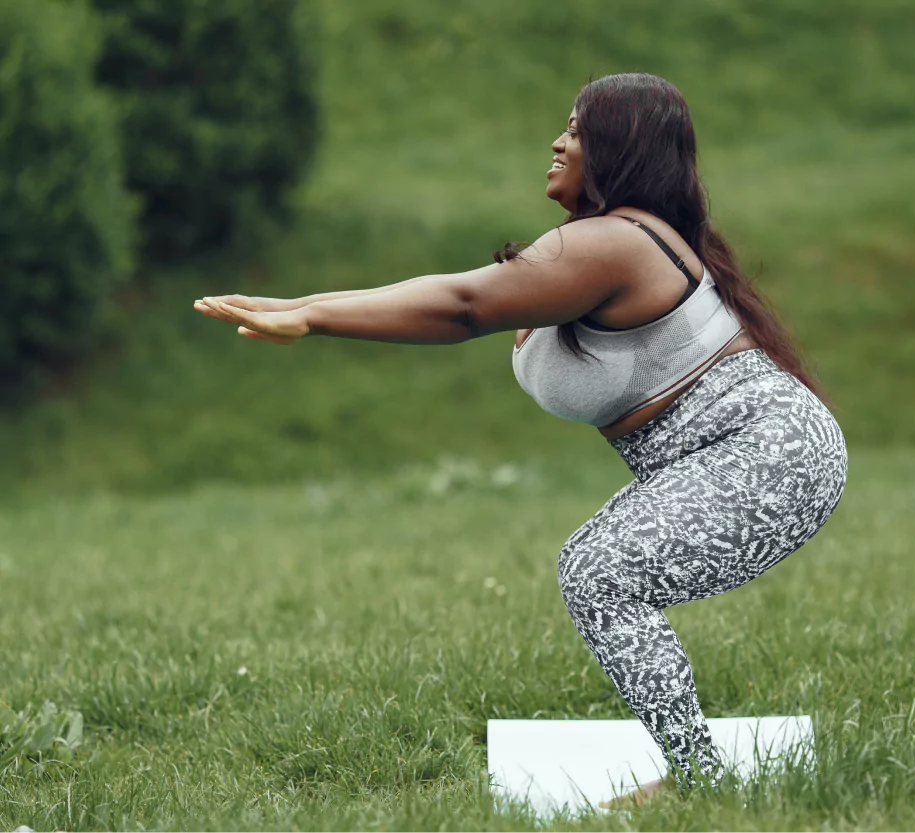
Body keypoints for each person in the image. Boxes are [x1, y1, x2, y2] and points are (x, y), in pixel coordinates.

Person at [194, 72, 848, 806]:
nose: (558, 141)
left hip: (770, 452)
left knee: (600, 573)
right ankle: (698, 772)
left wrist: (309, 315)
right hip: (764, 453)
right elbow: (469, 297)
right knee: (601, 574)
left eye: (576, 129)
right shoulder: (609, 244)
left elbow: (464, 305)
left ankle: (698, 779)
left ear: (618, 147)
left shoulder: (618, 242)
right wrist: (303, 306)